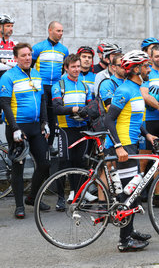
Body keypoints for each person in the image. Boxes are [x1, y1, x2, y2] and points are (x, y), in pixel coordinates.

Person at [104, 50, 157, 252]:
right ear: (136, 69)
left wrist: (147, 134)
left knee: (133, 192)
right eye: (146, 65)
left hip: (132, 143)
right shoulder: (125, 90)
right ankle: (124, 241)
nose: (149, 69)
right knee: (129, 194)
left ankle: (130, 230)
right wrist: (118, 146)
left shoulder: (137, 88)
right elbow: (109, 119)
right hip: (124, 146)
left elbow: (133, 118)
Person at [0, 43, 50, 218]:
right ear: (16, 58)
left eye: (29, 54)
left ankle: (32, 197)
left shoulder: (36, 74)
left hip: (36, 126)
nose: (28, 58)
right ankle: (19, 206)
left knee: (44, 164)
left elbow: (42, 100)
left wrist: (45, 122)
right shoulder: (8, 76)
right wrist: (14, 128)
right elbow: (5, 104)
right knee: (18, 167)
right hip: (18, 128)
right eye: (23, 55)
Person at [51, 54, 93, 211]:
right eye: (73, 67)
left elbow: (90, 107)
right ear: (66, 68)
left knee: (80, 163)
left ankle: (78, 196)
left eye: (78, 66)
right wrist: (74, 109)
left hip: (82, 129)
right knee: (64, 163)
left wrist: (86, 111)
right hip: (65, 129)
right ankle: (61, 198)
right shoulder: (59, 85)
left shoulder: (85, 86)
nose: (76, 69)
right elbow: (56, 108)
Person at [32, 21, 69, 155]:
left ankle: (50, 145)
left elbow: (65, 69)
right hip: (41, 86)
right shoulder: (38, 48)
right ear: (50, 30)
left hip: (55, 87)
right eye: (58, 31)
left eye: (62, 31)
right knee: (42, 115)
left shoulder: (64, 50)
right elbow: (30, 67)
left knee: (53, 116)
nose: (60, 34)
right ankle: (40, 144)